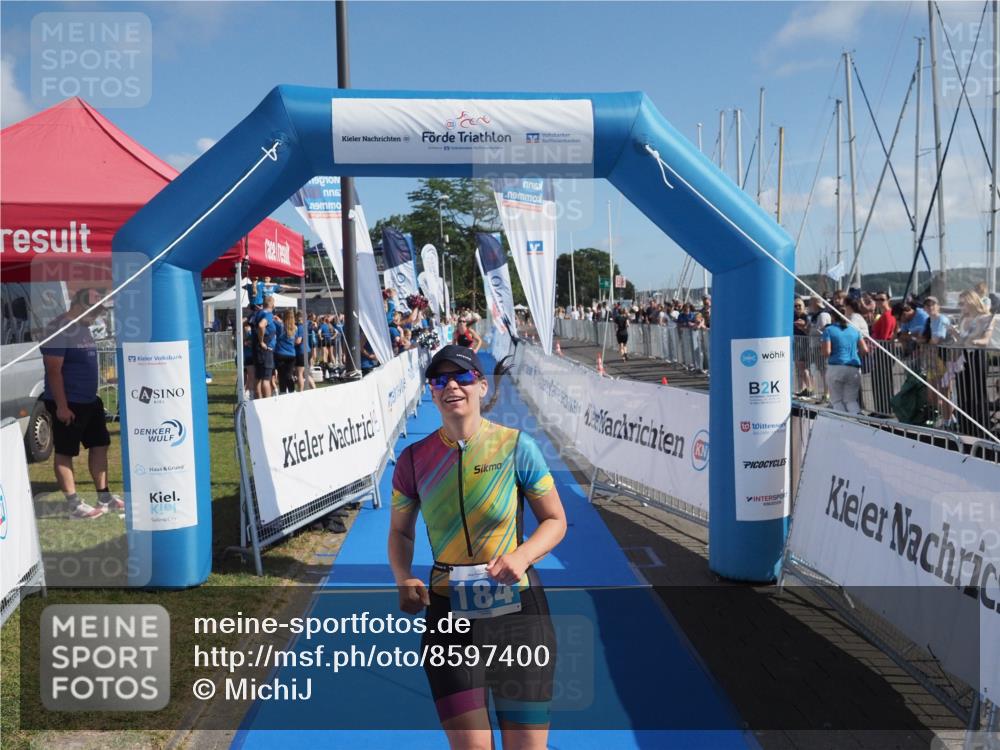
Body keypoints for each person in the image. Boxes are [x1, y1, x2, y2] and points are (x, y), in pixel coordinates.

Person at [388, 346, 566, 749]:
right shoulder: (413, 460)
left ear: (482, 387)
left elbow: (555, 520)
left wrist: (521, 556)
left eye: (462, 377)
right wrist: (402, 576)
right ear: (432, 393)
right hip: (448, 617)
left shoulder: (516, 447)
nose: (451, 385)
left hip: (518, 614)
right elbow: (400, 532)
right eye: (440, 380)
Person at [41, 288, 125, 519]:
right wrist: (62, 406)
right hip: (68, 402)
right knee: (65, 451)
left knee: (100, 445)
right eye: (95, 311)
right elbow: (53, 371)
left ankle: (104, 497)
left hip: (89, 400)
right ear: (79, 306)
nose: (97, 316)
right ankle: (74, 505)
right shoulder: (58, 328)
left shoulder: (83, 327)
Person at [821, 303, 869, 414]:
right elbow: (865, 350)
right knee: (851, 401)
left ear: (832, 316)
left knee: (837, 401)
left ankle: (843, 421)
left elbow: (826, 352)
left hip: (836, 367)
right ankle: (857, 420)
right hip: (853, 368)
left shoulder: (829, 330)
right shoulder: (855, 330)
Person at [253, 296, 278, 398]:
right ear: (272, 305)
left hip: (257, 349)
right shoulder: (268, 314)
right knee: (266, 379)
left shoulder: (258, 313)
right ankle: (267, 402)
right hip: (265, 350)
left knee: (258, 377)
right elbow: (261, 325)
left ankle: (258, 401)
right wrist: (261, 341)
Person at [295, 312, 316, 391]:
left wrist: (290, 343)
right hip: (306, 351)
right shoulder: (304, 325)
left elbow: (298, 341)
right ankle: (314, 389)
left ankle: (300, 391)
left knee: (300, 373)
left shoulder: (300, 327)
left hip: (302, 352)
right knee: (305, 373)